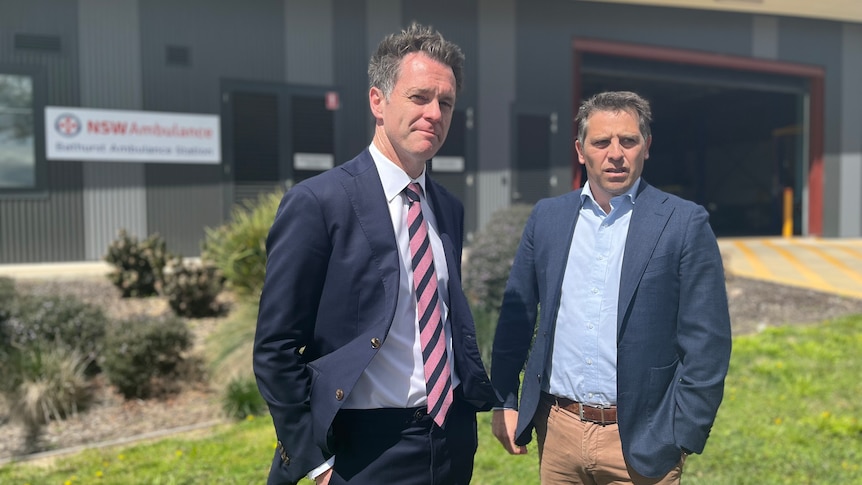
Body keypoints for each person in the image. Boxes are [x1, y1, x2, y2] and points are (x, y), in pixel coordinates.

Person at [253, 22, 496, 485]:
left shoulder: (447, 208)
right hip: (362, 451)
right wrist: (317, 463)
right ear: (377, 101)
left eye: (445, 102)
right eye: (419, 97)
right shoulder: (319, 203)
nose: (434, 113)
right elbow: (275, 348)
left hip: (449, 440)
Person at [490, 91, 732, 484]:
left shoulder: (684, 224)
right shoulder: (547, 218)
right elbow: (516, 318)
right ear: (581, 150)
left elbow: (708, 343)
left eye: (628, 141)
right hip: (558, 433)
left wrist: (682, 433)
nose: (615, 153)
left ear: (646, 147)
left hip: (642, 442)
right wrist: (504, 398)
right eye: (601, 142)